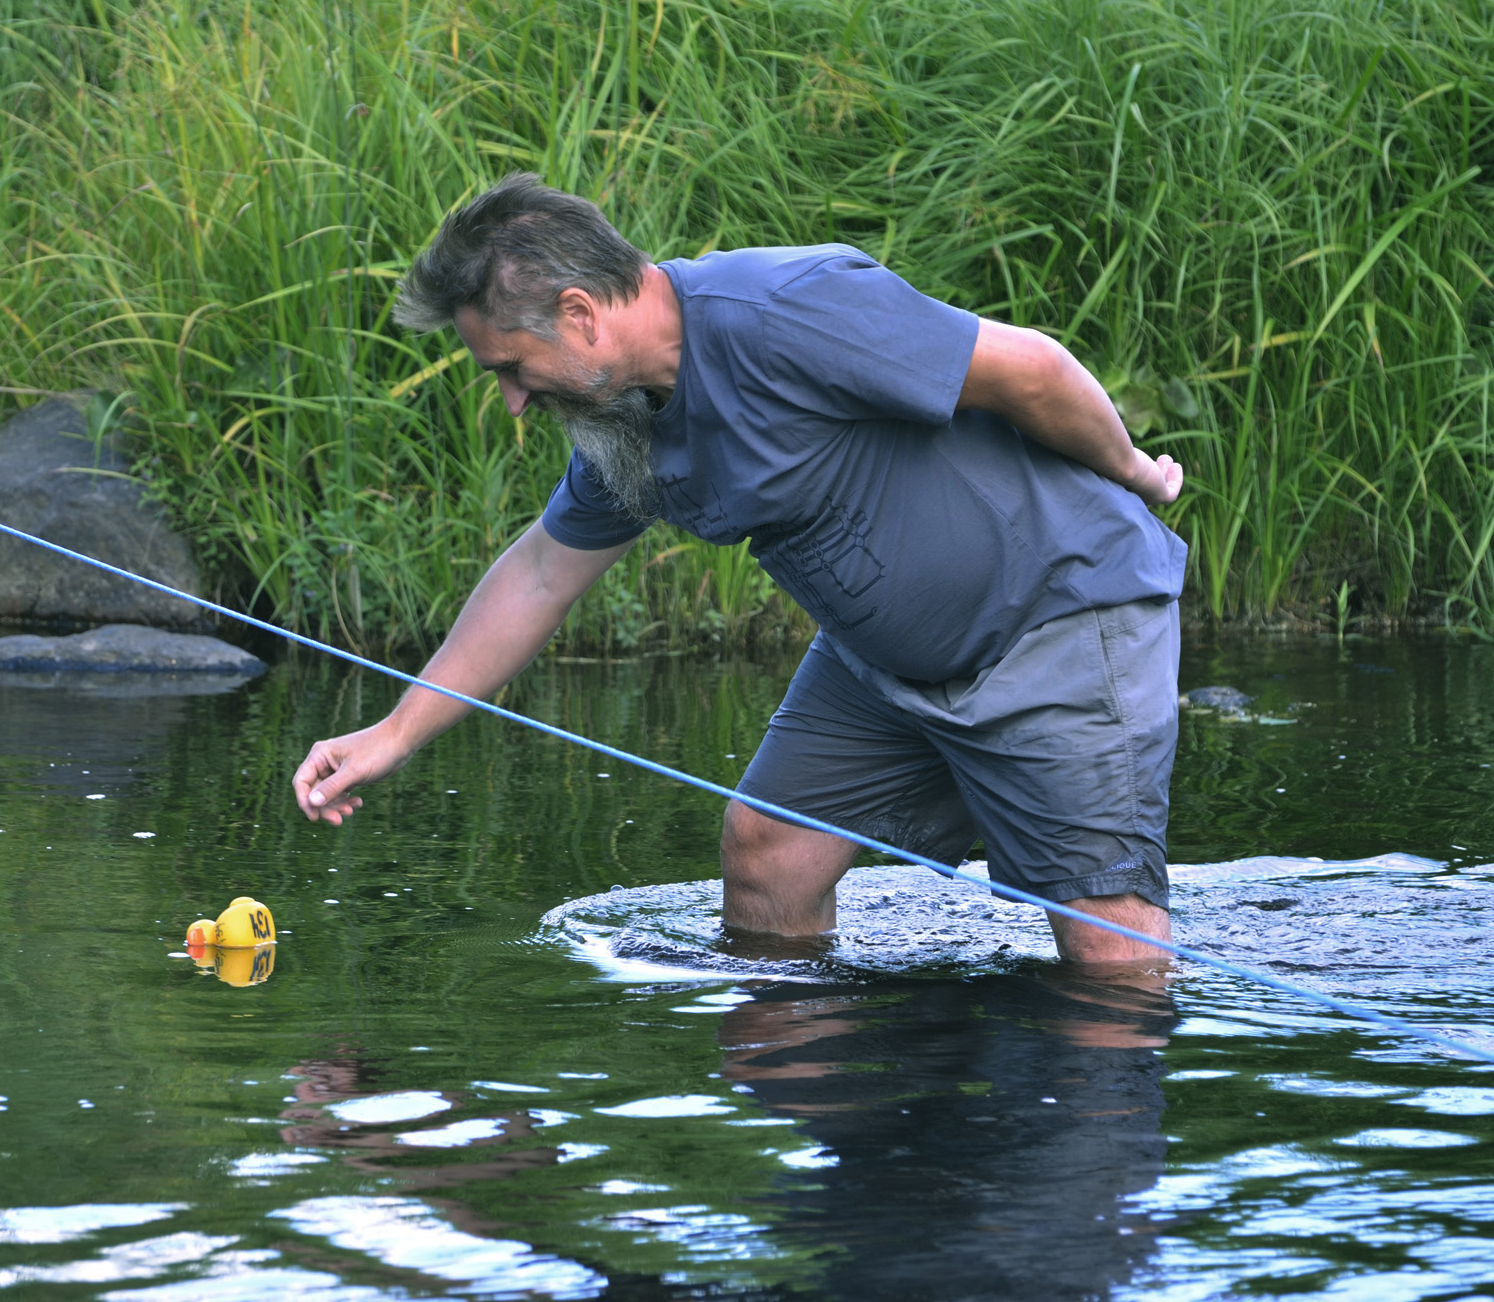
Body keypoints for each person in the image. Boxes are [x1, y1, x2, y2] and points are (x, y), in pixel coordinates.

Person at [291, 174, 1188, 965]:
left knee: (1110, 948)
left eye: (512, 369)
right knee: (766, 854)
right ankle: (846, 1119)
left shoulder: (787, 308)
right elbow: (538, 575)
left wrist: (1135, 472)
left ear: (578, 313)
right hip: (882, 667)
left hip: (1056, 618)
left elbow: (1029, 368)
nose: (515, 401)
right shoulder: (627, 425)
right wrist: (395, 734)